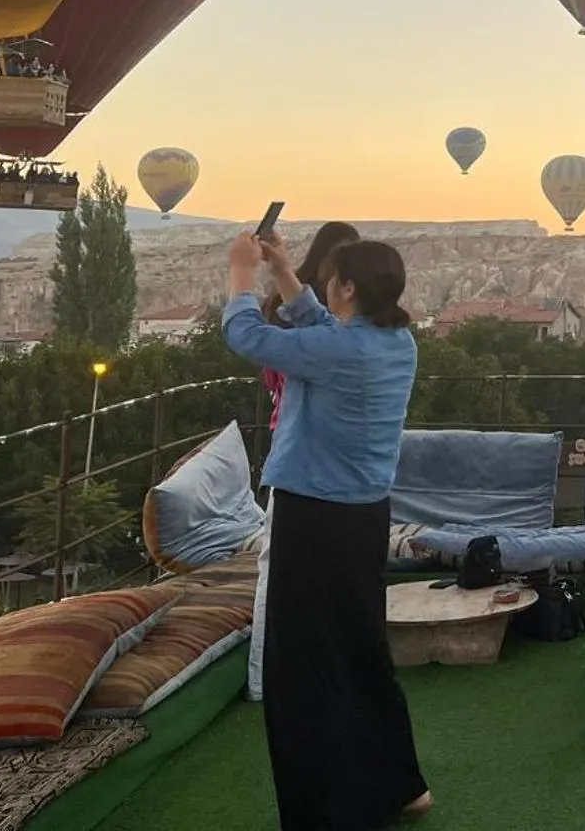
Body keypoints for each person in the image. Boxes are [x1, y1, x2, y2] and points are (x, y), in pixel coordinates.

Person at [224, 232, 430, 828]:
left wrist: (242, 275)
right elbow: (324, 329)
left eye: (330, 279)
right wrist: (286, 274)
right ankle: (399, 785)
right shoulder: (396, 341)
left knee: (301, 669)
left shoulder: (340, 350)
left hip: (314, 517)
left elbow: (248, 337)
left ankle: (322, 810)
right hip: (364, 516)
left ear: (346, 287)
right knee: (363, 651)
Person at [245, 221, 361, 704]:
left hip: (296, 443)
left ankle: (270, 675)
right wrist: (239, 278)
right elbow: (247, 336)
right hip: (315, 452)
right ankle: (271, 677)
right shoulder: (332, 329)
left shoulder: (295, 312)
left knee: (284, 566)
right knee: (295, 566)